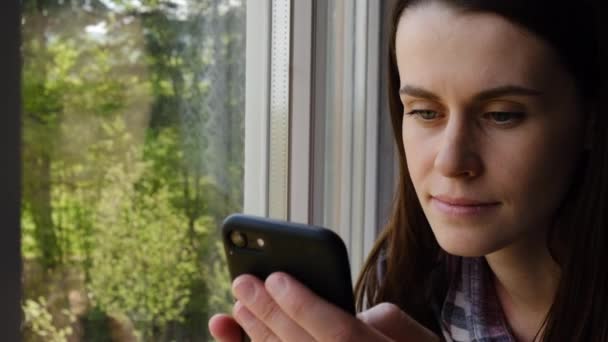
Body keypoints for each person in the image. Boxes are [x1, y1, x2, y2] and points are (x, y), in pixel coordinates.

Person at [209, 0, 607, 340]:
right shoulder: (414, 272)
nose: (451, 162)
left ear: (590, 118)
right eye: (425, 112)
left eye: (502, 115)